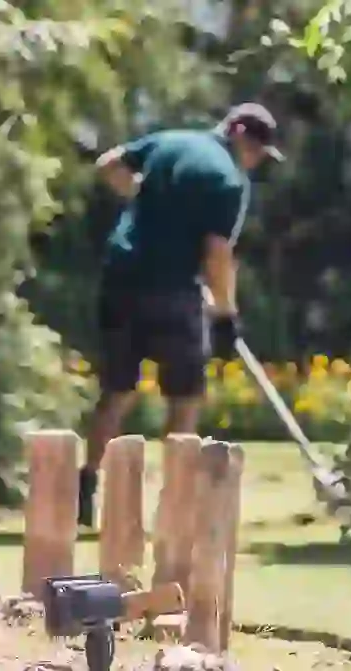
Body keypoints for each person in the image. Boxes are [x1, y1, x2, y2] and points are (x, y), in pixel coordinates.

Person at [77, 102, 284, 527]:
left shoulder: (169, 141)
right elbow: (218, 255)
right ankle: (177, 499)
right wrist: (226, 315)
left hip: (120, 276)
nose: (256, 162)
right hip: (173, 288)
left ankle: (86, 482)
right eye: (258, 153)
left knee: (117, 389)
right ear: (245, 140)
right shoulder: (229, 180)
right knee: (185, 394)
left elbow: (108, 164)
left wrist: (146, 198)